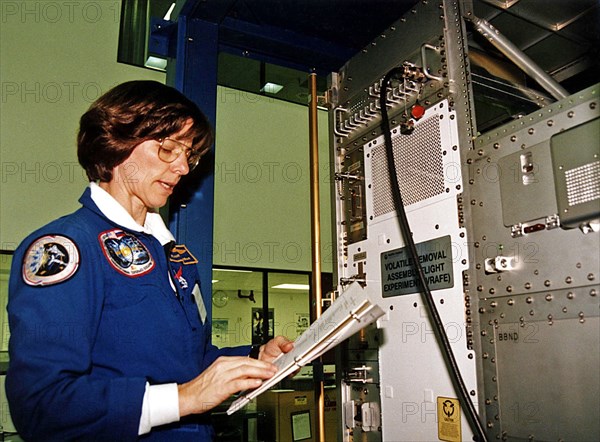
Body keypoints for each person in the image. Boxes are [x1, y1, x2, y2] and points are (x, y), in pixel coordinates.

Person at [6, 80, 294, 441]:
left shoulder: (173, 256)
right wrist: (185, 398)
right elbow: (41, 405)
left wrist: (254, 358)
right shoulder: (66, 247)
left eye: (190, 155)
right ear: (116, 142)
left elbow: (188, 362)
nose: (184, 168)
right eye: (169, 149)